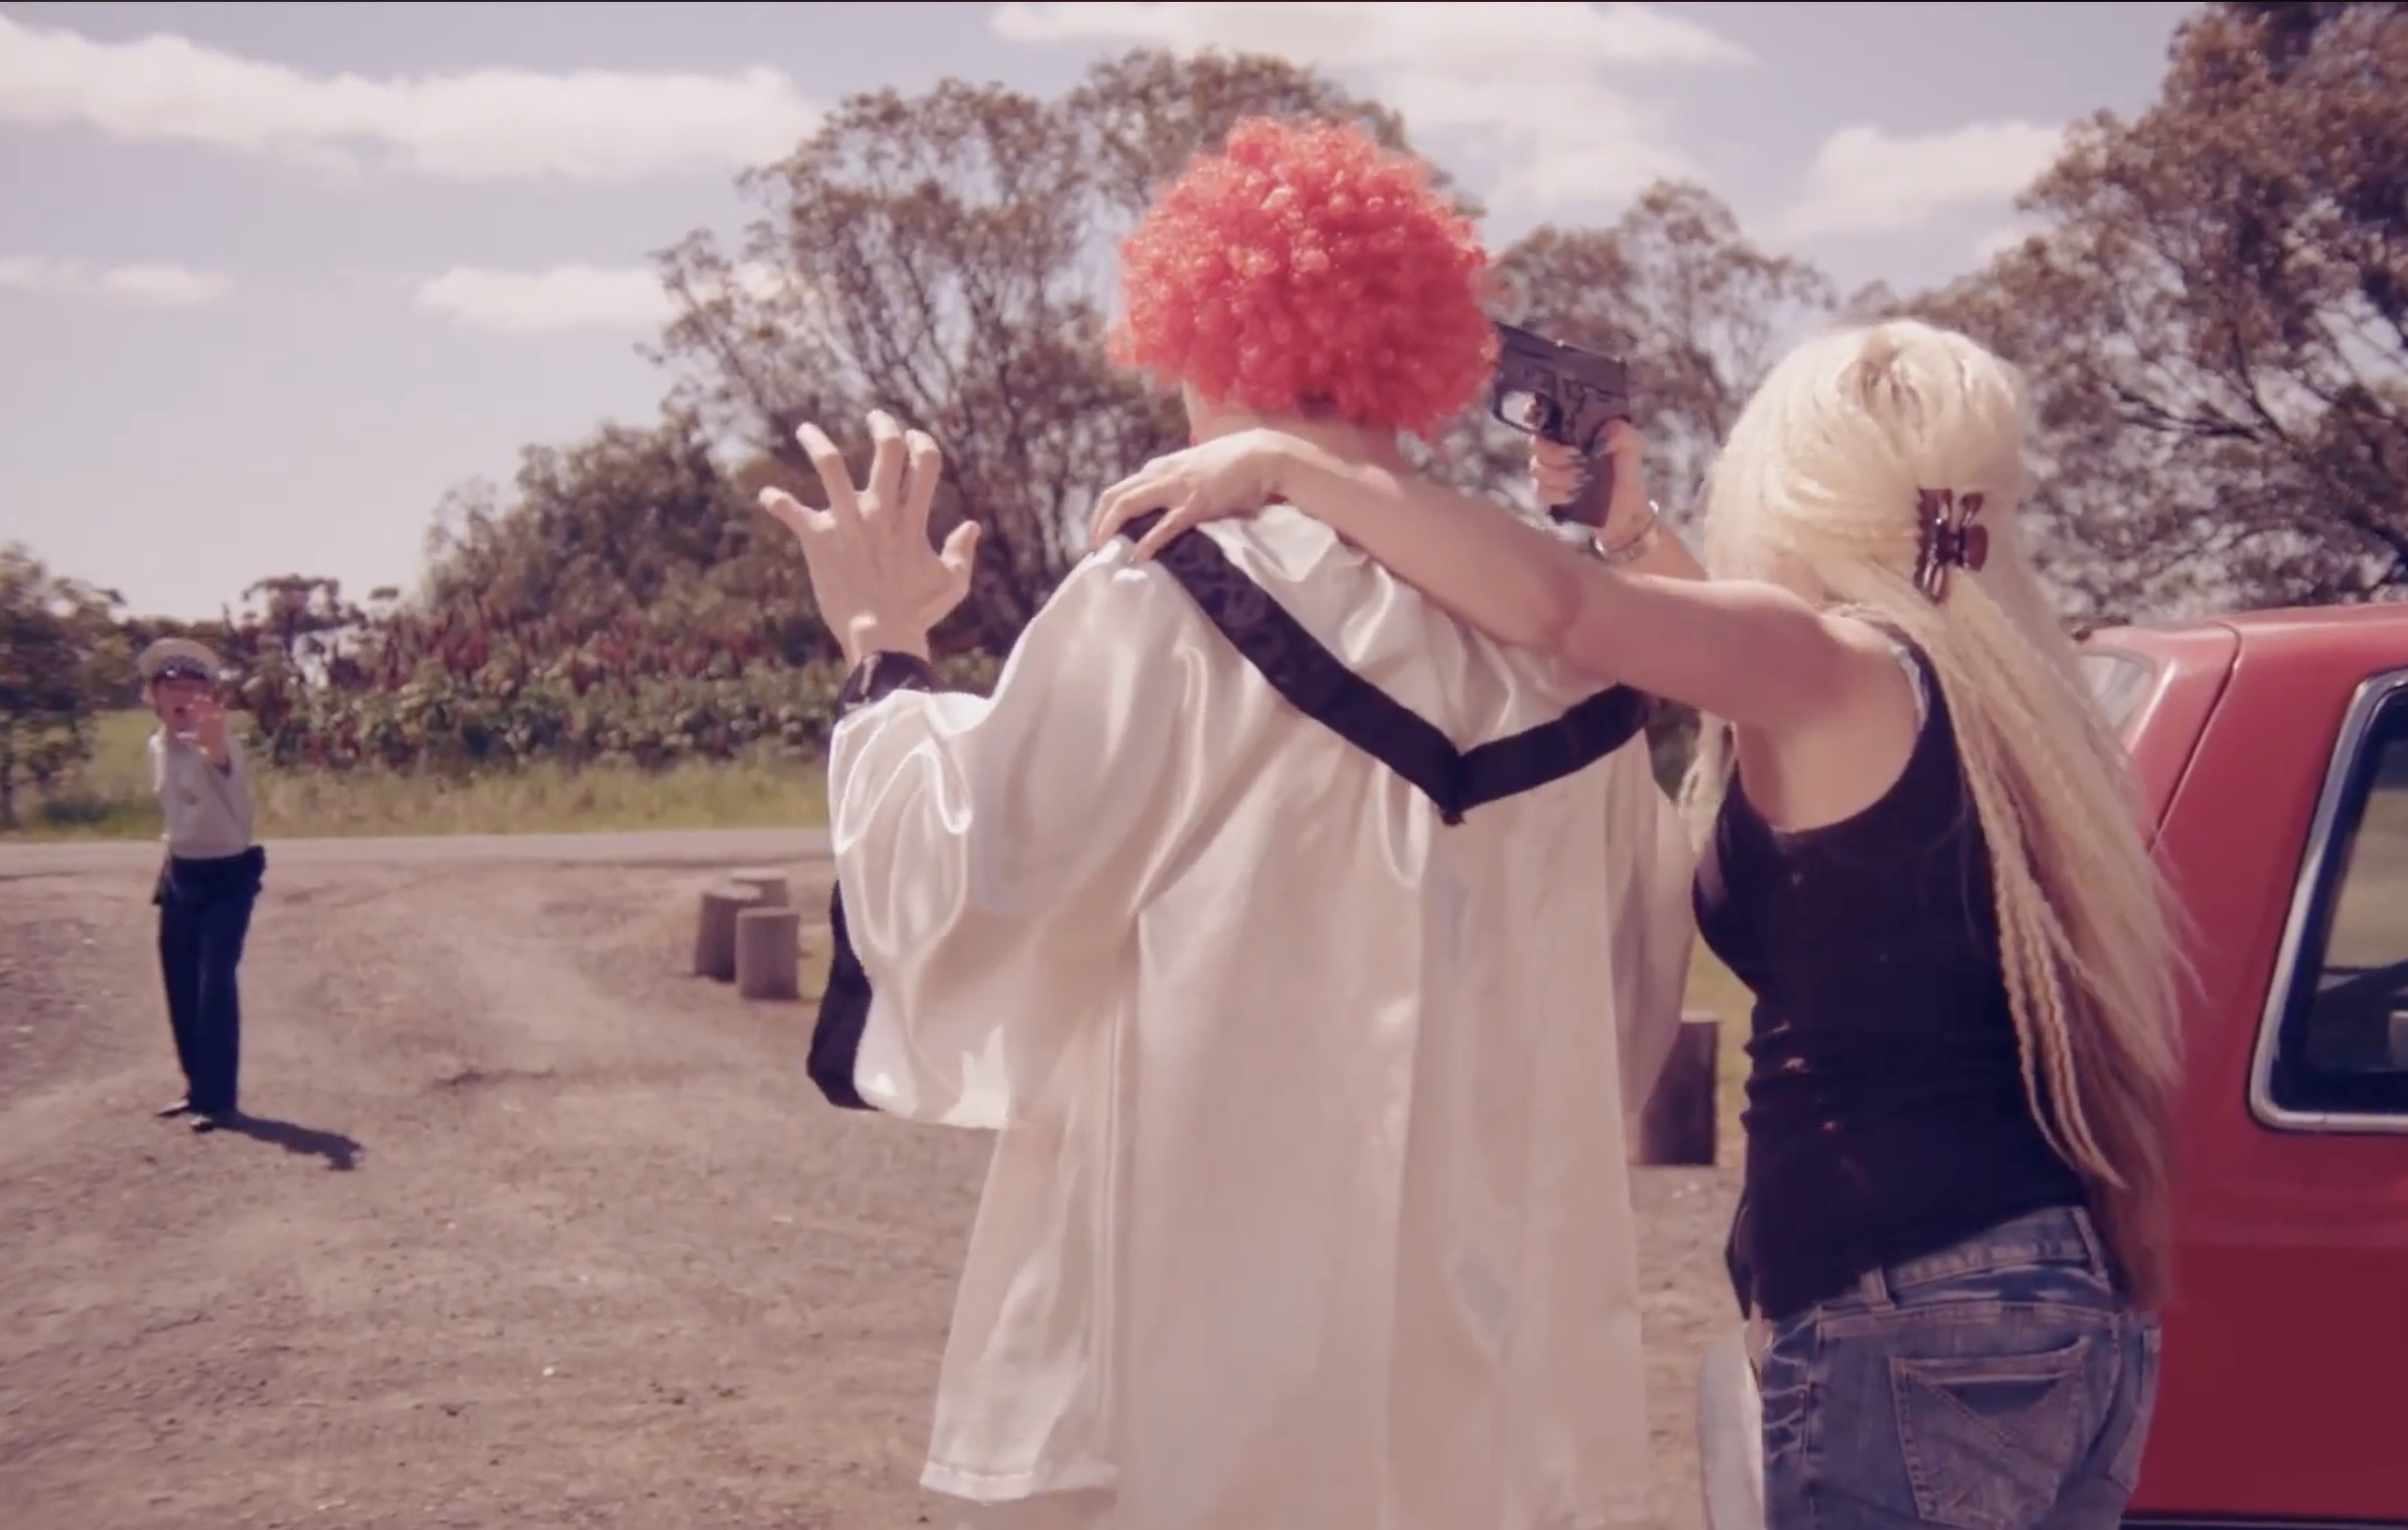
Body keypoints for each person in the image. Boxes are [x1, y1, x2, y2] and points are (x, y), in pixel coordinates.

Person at [755, 118, 1695, 1530]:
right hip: (1488, 1366)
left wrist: (886, 655)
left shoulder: (1163, 594)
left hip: (1203, 1339)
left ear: (1200, 337)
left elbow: (969, 884)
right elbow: (1625, 1014)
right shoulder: (1578, 657)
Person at [1092, 319, 2184, 1530]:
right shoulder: (2000, 694)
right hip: (2068, 1297)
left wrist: (1291, 468)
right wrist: (1628, 525)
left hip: (1902, 1292)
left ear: (1797, 486)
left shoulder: (1829, 663)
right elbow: (1694, 634)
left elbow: (1563, 611)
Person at [139, 636, 267, 1134]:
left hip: (227, 874)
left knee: (215, 982)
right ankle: (196, 1087)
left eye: (195, 686)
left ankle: (219, 1099)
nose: (183, 695)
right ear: (152, 695)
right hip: (180, 869)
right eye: (171, 685)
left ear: (208, 696)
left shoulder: (220, 743)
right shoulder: (156, 746)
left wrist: (213, 746)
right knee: (180, 980)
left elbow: (221, 760)